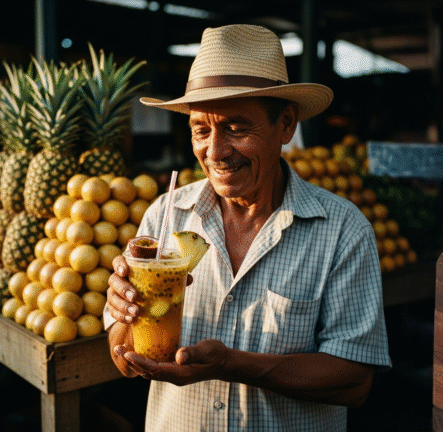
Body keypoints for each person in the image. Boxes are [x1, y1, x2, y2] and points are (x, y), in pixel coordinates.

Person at [105, 24, 391, 431]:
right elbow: (124, 362)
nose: (216, 151)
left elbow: (355, 383)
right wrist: (124, 318)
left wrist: (232, 365)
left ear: (286, 125)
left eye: (236, 127)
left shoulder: (343, 231)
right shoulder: (164, 216)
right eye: (201, 129)